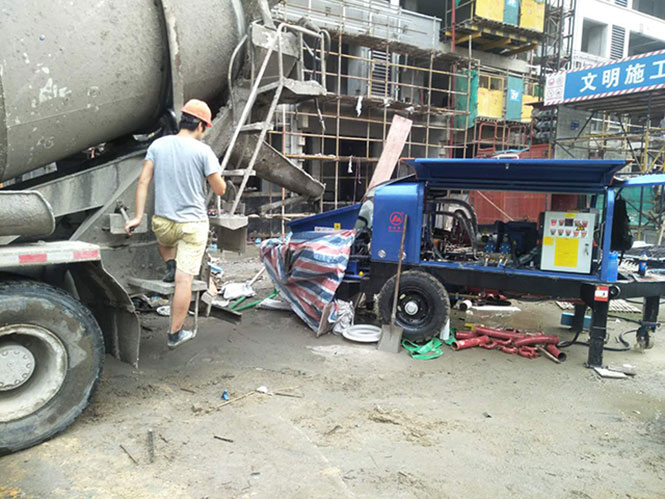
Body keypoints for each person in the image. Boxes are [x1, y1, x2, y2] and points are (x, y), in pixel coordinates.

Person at [125, 99, 226, 349]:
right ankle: (175, 333)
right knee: (184, 282)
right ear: (201, 126)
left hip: (163, 223)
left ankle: (170, 265)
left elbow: (143, 182)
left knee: (165, 243)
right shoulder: (203, 151)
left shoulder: (158, 146)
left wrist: (137, 217)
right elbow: (220, 189)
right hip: (192, 225)